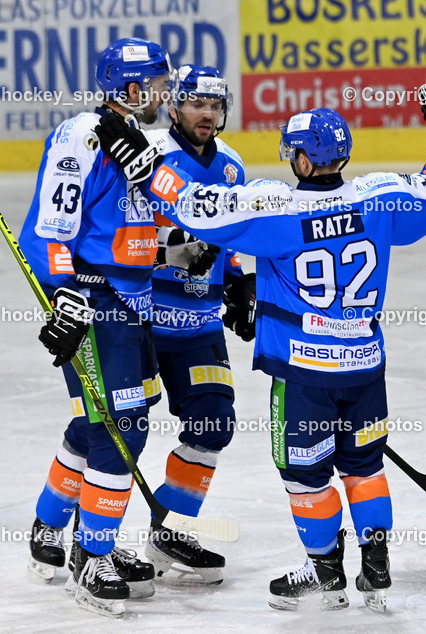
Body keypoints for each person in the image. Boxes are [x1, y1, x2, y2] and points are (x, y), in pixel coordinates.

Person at [95, 84, 426, 612]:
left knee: (305, 476)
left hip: (304, 373)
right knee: (364, 468)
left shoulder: (275, 209)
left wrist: (143, 164)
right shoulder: (381, 196)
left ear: (300, 156)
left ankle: (325, 574)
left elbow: (196, 208)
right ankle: (376, 566)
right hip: (366, 368)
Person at [20, 36, 170, 618]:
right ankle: (93, 553)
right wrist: (66, 295)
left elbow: (143, 222)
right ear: (130, 89)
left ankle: (50, 524)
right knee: (122, 425)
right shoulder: (80, 136)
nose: (163, 93)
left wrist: (184, 257)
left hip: (138, 300)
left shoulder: (144, 141)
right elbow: (47, 229)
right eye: (156, 84)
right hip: (96, 297)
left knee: (97, 419)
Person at [141, 64, 251, 584]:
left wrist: (237, 283)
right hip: (140, 318)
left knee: (213, 423)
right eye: (196, 104)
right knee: (111, 432)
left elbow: (225, 241)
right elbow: (118, 238)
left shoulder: (231, 166)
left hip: (199, 325)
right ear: (174, 107)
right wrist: (172, 253)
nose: (207, 113)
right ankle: (75, 536)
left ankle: (170, 531)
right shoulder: (148, 158)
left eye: (214, 104)